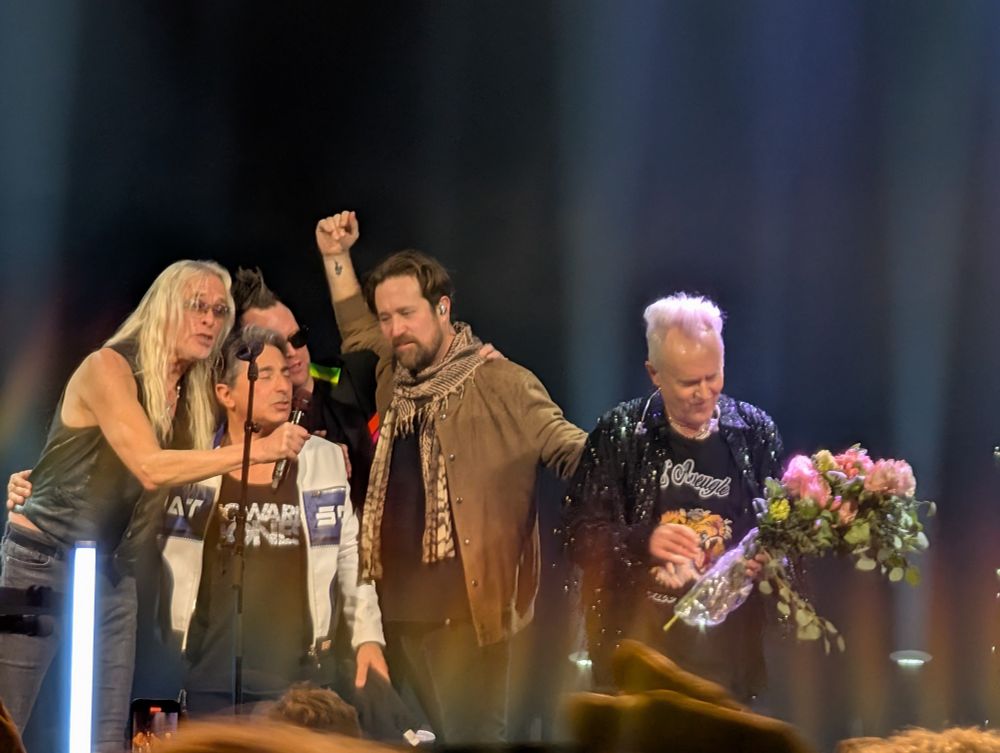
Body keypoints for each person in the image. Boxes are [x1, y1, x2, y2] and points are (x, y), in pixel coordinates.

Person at [0, 260, 309, 751]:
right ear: (163, 308)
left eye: (218, 310)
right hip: (43, 560)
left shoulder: (194, 393)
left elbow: (278, 388)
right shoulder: (109, 366)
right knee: (6, 721)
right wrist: (265, 450)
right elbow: (148, 465)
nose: (209, 320)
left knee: (103, 736)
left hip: (113, 573)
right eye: (196, 307)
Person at [315, 211, 588, 744]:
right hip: (396, 613)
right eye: (387, 317)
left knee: (474, 742)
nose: (395, 329)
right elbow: (353, 326)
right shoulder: (396, 373)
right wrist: (335, 255)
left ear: (443, 308)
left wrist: (638, 449)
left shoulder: (502, 381)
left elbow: (569, 449)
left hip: (467, 615)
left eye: (407, 314)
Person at [563, 293, 783, 703]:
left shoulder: (755, 433)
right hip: (636, 656)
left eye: (713, 376)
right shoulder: (619, 432)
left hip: (727, 660)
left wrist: (769, 559)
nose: (704, 392)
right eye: (688, 382)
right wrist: (643, 541)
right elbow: (576, 533)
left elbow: (779, 533)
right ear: (654, 373)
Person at [158, 326, 387, 714]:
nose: (282, 386)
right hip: (211, 679)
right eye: (264, 376)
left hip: (300, 683)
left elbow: (351, 555)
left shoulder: (324, 459)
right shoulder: (195, 466)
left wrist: (368, 638)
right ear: (224, 394)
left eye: (285, 373)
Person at [231, 267, 377, 512]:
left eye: (297, 338)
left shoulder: (348, 376)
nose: (291, 352)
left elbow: (362, 331)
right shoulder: (237, 418)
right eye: (276, 344)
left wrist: (335, 257)